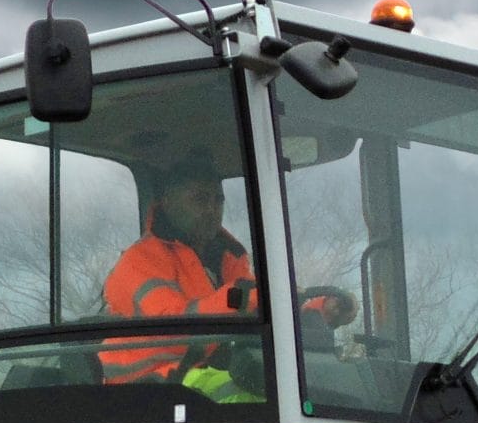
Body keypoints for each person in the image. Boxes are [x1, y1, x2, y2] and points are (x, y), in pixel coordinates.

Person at [100, 170, 353, 399]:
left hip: (197, 375)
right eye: (199, 199)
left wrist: (318, 310)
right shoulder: (140, 261)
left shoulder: (225, 257)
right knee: (258, 397)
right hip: (147, 388)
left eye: (217, 200)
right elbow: (174, 329)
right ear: (167, 202)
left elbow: (258, 305)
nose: (211, 209)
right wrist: (246, 299)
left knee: (320, 387)